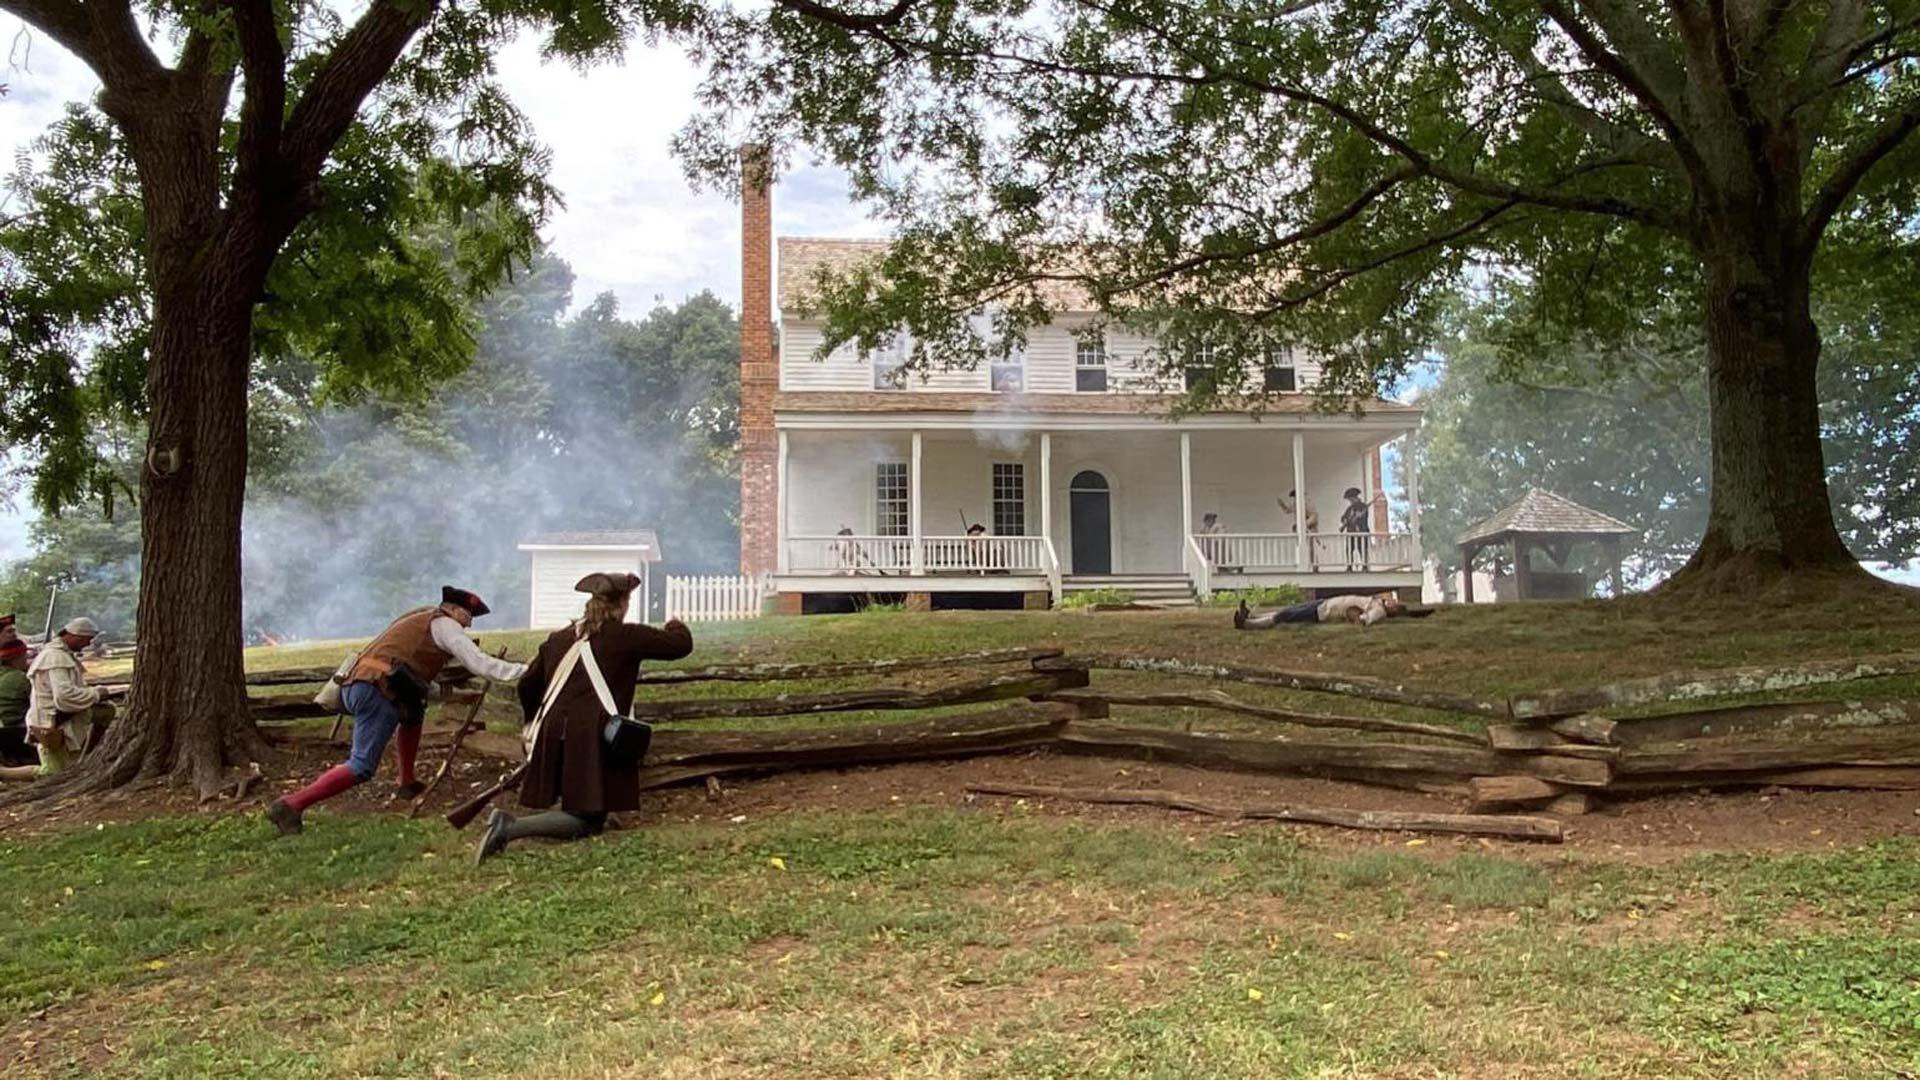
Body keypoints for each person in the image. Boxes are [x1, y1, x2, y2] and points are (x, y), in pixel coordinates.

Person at [266, 586, 526, 836]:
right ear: (452, 609)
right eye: (467, 616)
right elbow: (478, 662)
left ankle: (407, 783)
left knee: (413, 714)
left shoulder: (423, 622)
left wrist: (447, 694)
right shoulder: (446, 626)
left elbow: (413, 674)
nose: (468, 624)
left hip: (369, 684)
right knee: (362, 765)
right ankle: (290, 805)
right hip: (376, 690)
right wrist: (523, 671)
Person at [473, 572, 693, 863]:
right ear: (623, 603)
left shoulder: (559, 639)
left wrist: (531, 720)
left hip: (555, 731)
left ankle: (584, 809)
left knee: (581, 803)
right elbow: (680, 644)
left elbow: (527, 685)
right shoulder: (625, 637)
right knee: (587, 822)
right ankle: (509, 827)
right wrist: (675, 623)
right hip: (591, 734)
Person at [19, 617, 112, 778]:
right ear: (75, 636)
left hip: (62, 721)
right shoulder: (54, 657)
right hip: (50, 724)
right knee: (52, 775)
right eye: (87, 639)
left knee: (107, 710)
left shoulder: (59, 655)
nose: (88, 644)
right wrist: (95, 694)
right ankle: (4, 773)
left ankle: (89, 756)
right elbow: (64, 697)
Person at [1233, 592, 1406, 629]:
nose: (1392, 601)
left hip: (1324, 612)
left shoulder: (1378, 611)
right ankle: (1251, 615)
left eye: (1394, 604)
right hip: (1326, 602)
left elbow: (1364, 619)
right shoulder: (1377, 601)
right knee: (1288, 609)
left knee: (1285, 616)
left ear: (1392, 611)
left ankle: (1248, 624)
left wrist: (1357, 617)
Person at [0, 638, 35, 772]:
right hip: (15, 731)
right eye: (25, 656)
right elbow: (38, 702)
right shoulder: (21, 678)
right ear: (17, 658)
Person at [1340, 486, 1370, 570]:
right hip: (1351, 531)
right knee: (1349, 549)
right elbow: (1343, 518)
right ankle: (1349, 566)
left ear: (1355, 497)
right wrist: (1345, 521)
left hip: (1361, 531)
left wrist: (1359, 516)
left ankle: (1365, 566)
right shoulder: (1350, 509)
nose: (1350, 501)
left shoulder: (1363, 506)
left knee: (1362, 549)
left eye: (1351, 499)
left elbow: (1364, 517)